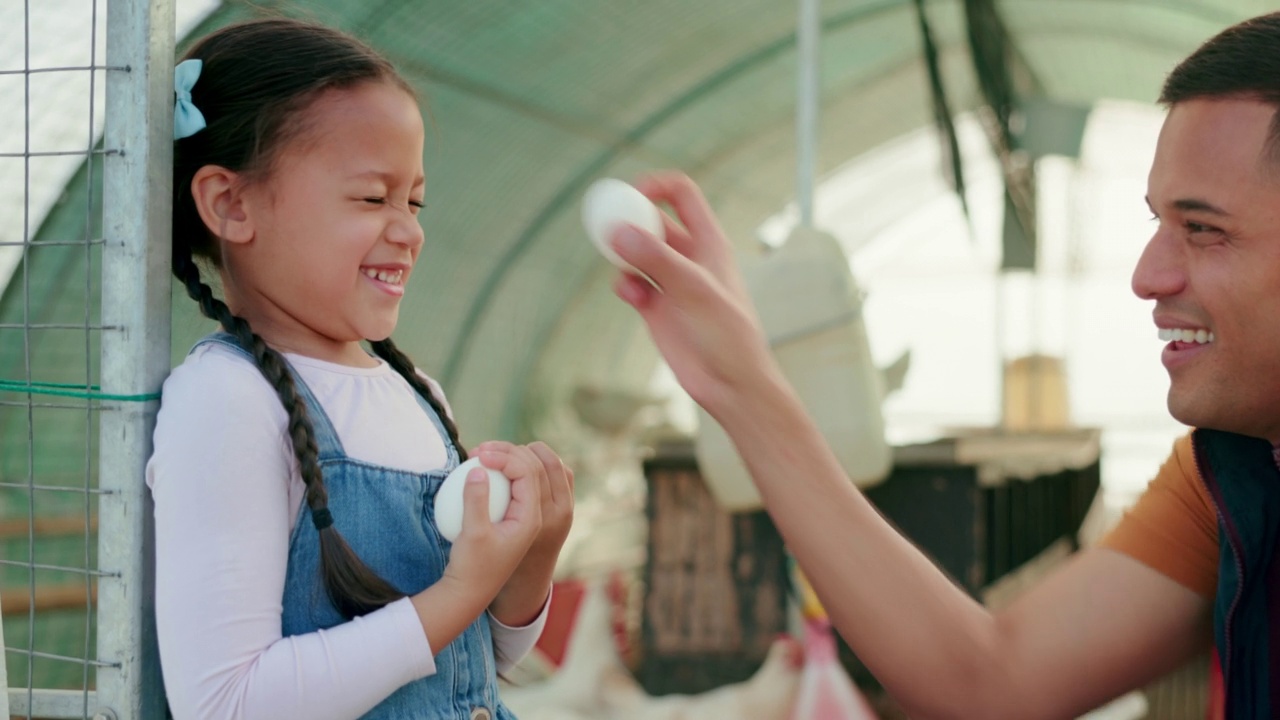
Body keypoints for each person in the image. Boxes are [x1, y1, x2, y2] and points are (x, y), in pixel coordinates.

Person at [606, 12, 1280, 720]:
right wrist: (740, 385)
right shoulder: (1230, 475)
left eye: (1203, 230)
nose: (1147, 276)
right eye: (1158, 224)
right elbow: (990, 683)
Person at [146, 18, 573, 720]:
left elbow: (475, 661)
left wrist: (531, 558)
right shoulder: (229, 400)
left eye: (415, 200)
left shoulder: (418, 393)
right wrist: (459, 592)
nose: (409, 229)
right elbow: (227, 702)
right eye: (374, 198)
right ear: (231, 204)